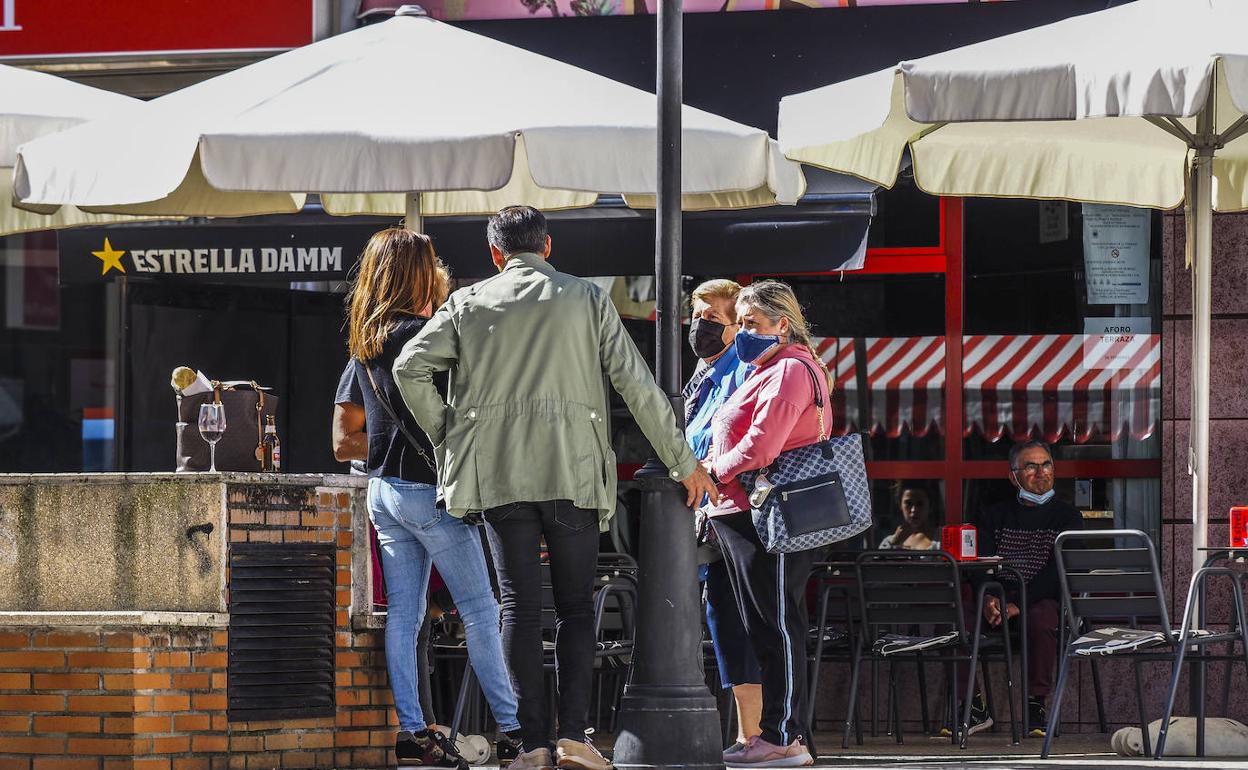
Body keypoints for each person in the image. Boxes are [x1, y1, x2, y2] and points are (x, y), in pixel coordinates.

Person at [393, 206, 716, 770]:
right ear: (549, 245)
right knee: (573, 606)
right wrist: (682, 461)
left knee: (517, 606)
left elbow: (408, 367)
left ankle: (533, 745)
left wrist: (451, 437)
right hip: (572, 473)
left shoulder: (468, 303)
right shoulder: (587, 300)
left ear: (495, 254)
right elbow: (638, 387)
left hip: (497, 476)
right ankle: (573, 738)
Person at [345, 228, 521, 769]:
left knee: (406, 612)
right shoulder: (422, 334)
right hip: (428, 489)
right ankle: (515, 727)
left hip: (382, 488)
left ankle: (414, 729)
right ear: (416, 273)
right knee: (481, 607)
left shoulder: (366, 339)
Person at [701, 280, 831, 768]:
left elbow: (761, 446)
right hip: (746, 512)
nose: (744, 334)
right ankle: (773, 733)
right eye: (742, 324)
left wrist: (712, 470)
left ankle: (783, 735)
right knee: (765, 624)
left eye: (753, 324)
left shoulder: (790, 370)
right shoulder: (770, 368)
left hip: (766, 513)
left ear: (783, 324)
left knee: (777, 624)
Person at [682, 279, 763, 758]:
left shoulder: (740, 371)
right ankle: (746, 731)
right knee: (720, 616)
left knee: (732, 618)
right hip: (701, 510)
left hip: (732, 508)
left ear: (737, 328)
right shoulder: (702, 369)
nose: (700, 326)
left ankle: (751, 732)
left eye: (714, 320)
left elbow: (733, 437)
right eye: (697, 315)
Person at [969, 439, 1082, 738]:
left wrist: (1018, 603)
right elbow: (980, 564)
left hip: (1039, 600)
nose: (1041, 472)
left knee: (1043, 618)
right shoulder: (993, 515)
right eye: (1031, 466)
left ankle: (1036, 704)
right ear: (1013, 476)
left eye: (1046, 464)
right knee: (955, 613)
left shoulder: (1069, 517)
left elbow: (1062, 574)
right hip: (998, 601)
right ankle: (973, 705)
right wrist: (988, 599)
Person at [877, 480, 940, 551]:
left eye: (920, 504)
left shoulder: (943, 538)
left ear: (930, 506)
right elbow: (877, 560)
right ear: (900, 505)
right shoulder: (889, 542)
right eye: (908, 503)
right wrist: (895, 544)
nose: (913, 510)